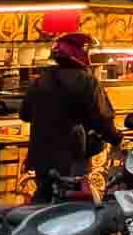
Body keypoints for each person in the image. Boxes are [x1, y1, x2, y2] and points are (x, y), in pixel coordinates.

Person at [20, 33, 121, 201]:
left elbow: (24, 115)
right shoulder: (87, 82)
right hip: (72, 155)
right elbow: (102, 119)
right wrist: (116, 138)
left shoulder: (38, 81)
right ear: (80, 54)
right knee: (73, 199)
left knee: (43, 195)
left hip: (41, 157)